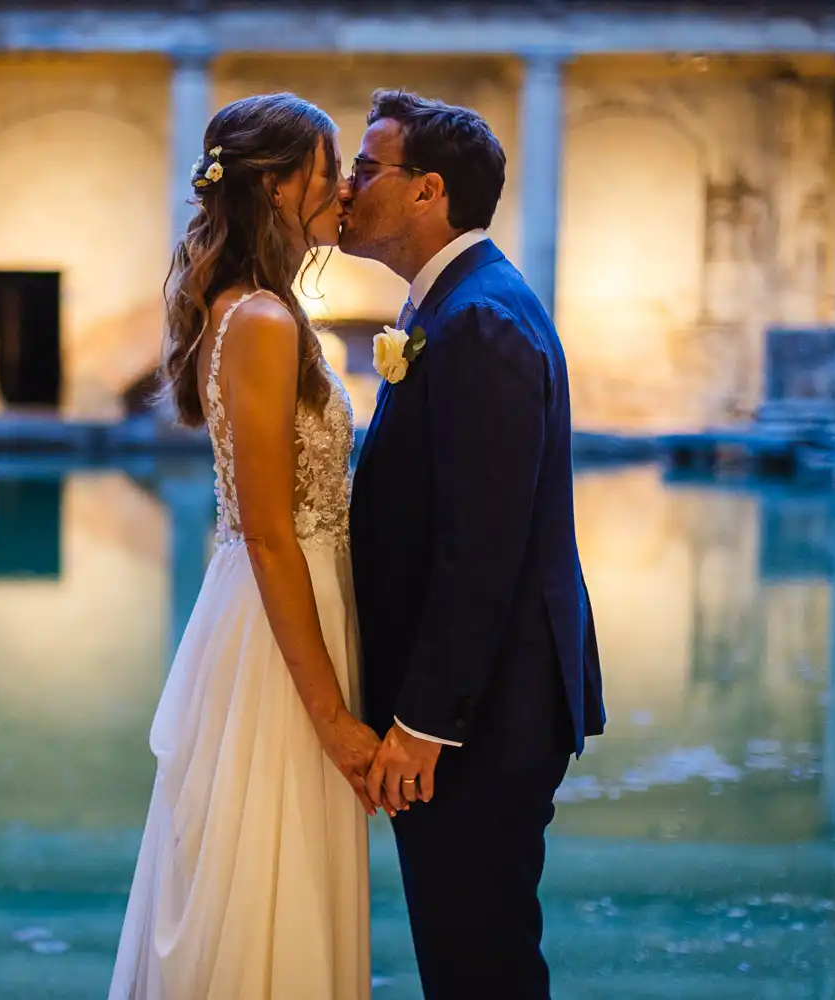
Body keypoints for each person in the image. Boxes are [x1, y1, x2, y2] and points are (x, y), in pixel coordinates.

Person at [108, 92, 375, 1000]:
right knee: (271, 870)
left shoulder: (256, 308)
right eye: (327, 170)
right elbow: (267, 534)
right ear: (275, 183)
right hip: (278, 626)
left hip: (279, 609)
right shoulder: (259, 320)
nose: (341, 190)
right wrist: (335, 720)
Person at [341, 89, 607, 999]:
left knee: (479, 964)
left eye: (366, 167)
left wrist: (423, 723)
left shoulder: (481, 319)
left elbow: (482, 547)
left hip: (483, 717)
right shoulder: (452, 303)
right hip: (477, 708)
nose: (347, 185)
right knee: (468, 956)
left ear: (428, 192)